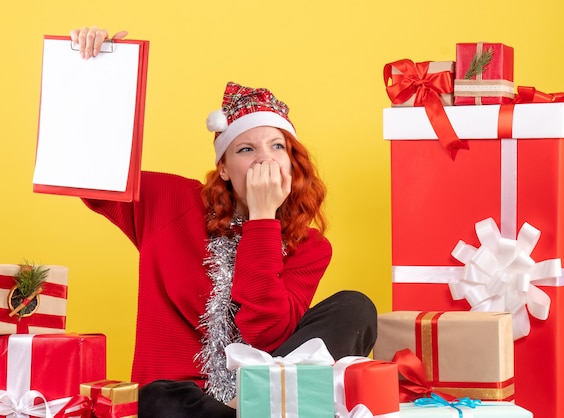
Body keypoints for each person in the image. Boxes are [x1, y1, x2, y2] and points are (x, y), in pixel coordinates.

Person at [70, 27, 378, 417]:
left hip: (256, 394)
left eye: (277, 146)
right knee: (154, 397)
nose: (264, 159)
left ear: (292, 164)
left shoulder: (310, 247)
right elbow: (91, 177)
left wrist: (263, 220)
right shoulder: (171, 201)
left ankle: (244, 408)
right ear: (226, 169)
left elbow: (266, 336)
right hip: (183, 402)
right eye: (246, 148)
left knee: (355, 307)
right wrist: (94, 74)